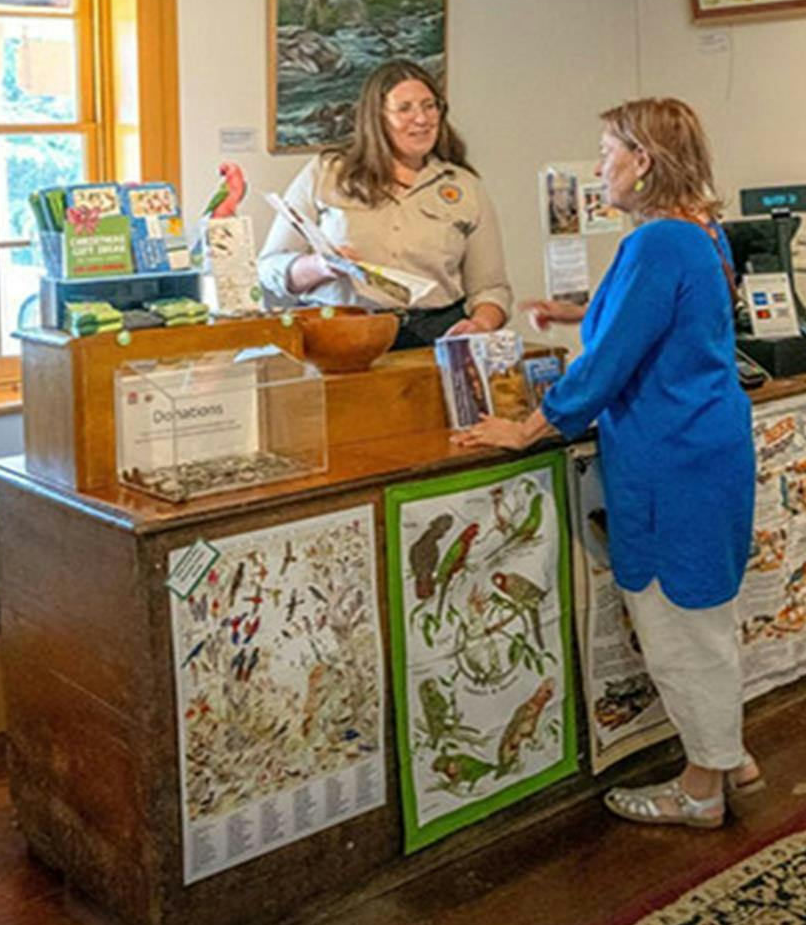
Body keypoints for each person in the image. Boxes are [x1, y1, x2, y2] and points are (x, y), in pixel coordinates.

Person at [455, 97, 758, 827]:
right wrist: (572, 315)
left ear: (642, 162)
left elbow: (608, 365)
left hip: (669, 460)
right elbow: (651, 314)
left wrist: (526, 430)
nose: (598, 169)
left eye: (606, 153)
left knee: (679, 631)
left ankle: (700, 788)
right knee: (708, 616)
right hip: (710, 447)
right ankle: (730, 756)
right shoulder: (703, 234)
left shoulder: (657, 244)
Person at [259, 60, 511, 349]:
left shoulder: (465, 187)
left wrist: (481, 324)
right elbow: (269, 270)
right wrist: (319, 266)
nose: (422, 119)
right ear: (376, 117)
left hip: (433, 340)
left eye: (430, 106)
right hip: (339, 336)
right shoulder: (327, 173)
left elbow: (491, 290)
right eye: (405, 109)